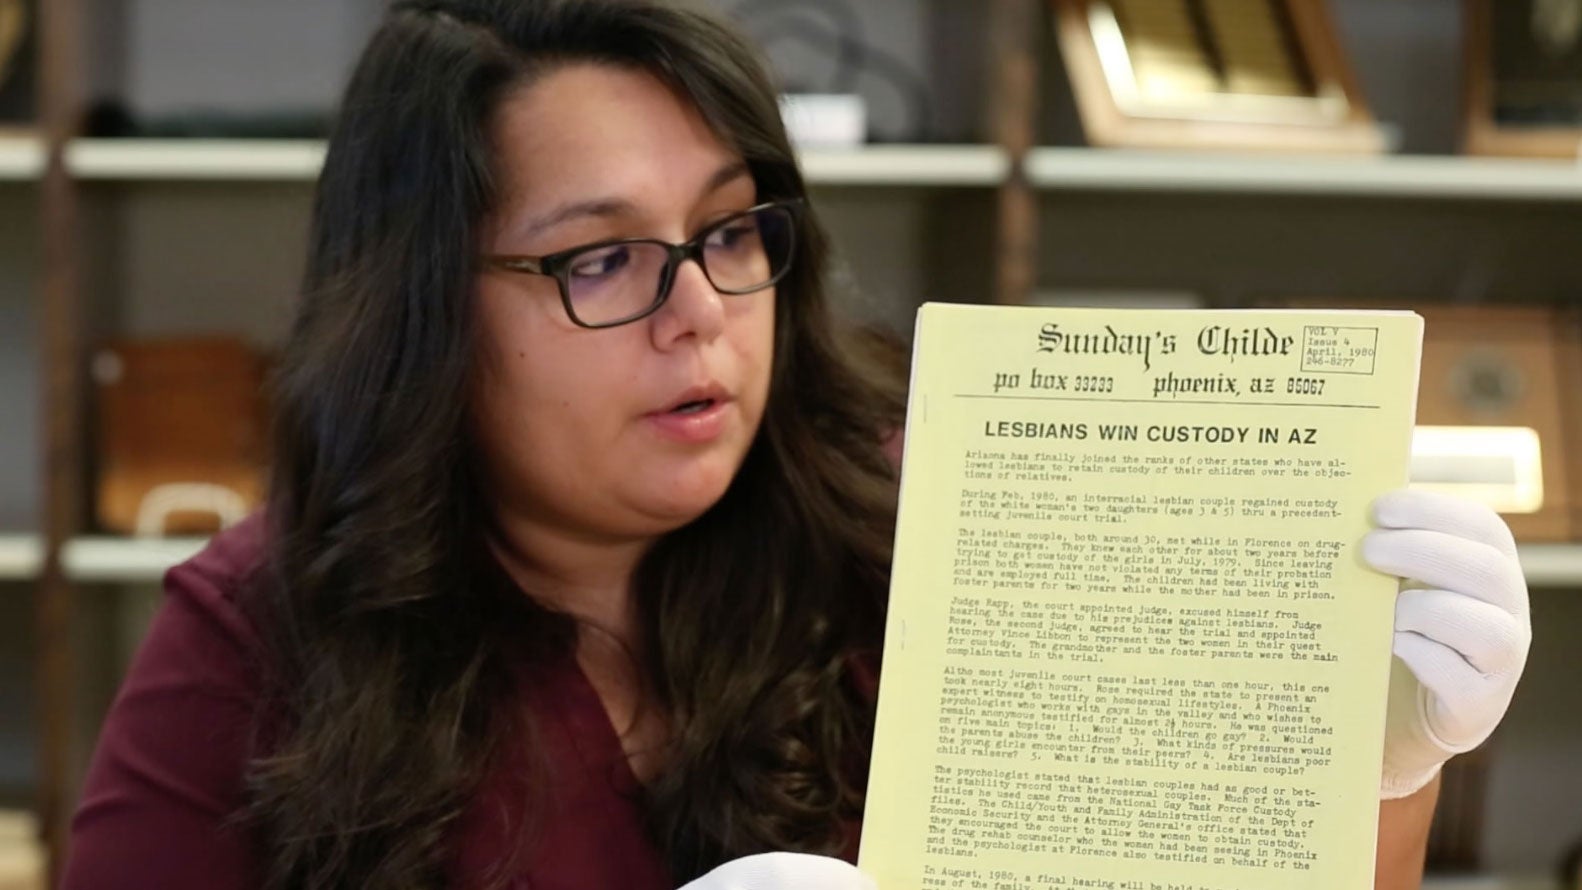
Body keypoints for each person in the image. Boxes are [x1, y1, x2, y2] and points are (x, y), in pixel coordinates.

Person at [60, 2, 1531, 889]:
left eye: (726, 229)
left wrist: (1371, 757)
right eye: (598, 260)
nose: (700, 311)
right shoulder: (261, 642)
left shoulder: (930, 535)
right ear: (423, 308)